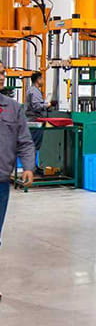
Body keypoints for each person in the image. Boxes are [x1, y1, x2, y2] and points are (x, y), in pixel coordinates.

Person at [0, 61, 37, 252]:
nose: (1, 77)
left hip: (1, 182)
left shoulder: (13, 108)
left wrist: (29, 167)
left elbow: (25, 141)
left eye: (2, 73)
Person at [25, 71, 52, 167]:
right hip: (35, 121)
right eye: (42, 79)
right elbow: (36, 106)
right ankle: (32, 167)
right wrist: (47, 105)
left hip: (33, 120)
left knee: (33, 144)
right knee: (34, 145)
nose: (43, 81)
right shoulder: (34, 91)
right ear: (38, 80)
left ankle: (32, 166)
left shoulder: (31, 90)